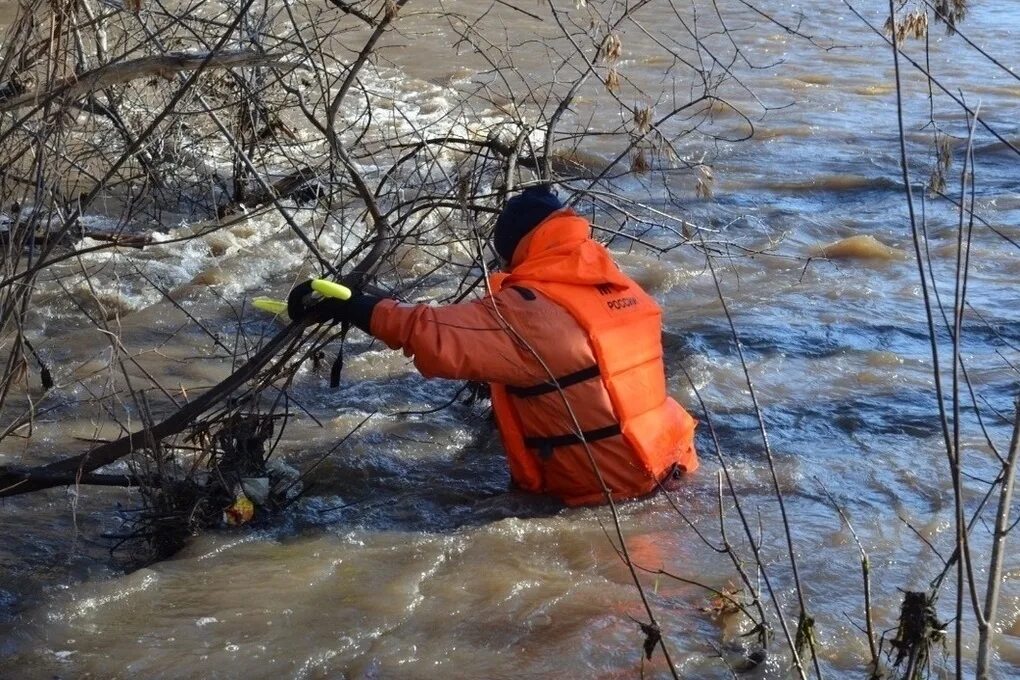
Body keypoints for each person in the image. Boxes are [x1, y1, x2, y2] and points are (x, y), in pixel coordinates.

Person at [287, 185, 698, 506]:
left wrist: (355, 308)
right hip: (671, 469)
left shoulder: (530, 313)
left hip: (602, 495)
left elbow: (433, 334)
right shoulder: (619, 288)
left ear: (517, 248)